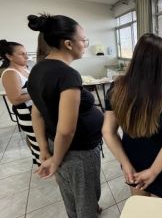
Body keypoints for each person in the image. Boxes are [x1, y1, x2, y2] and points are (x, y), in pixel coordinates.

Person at [27, 14, 103, 218]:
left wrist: (45, 150)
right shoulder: (68, 75)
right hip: (77, 152)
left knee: (71, 193)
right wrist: (56, 159)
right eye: (83, 40)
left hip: (57, 146)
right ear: (69, 43)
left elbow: (37, 112)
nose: (85, 44)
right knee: (85, 200)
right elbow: (67, 129)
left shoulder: (37, 69)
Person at [102, 33, 162, 198]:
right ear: (161, 63)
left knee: (140, 208)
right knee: (160, 210)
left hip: (132, 161)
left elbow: (108, 132)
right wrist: (153, 171)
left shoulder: (117, 88)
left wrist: (125, 164)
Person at [0, 39, 41, 166]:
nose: (26, 56)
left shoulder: (25, 69)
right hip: (27, 113)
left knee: (37, 139)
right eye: (21, 54)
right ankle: (44, 167)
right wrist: (39, 93)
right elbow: (15, 99)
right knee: (38, 141)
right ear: (9, 56)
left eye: (26, 53)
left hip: (35, 111)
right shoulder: (10, 73)